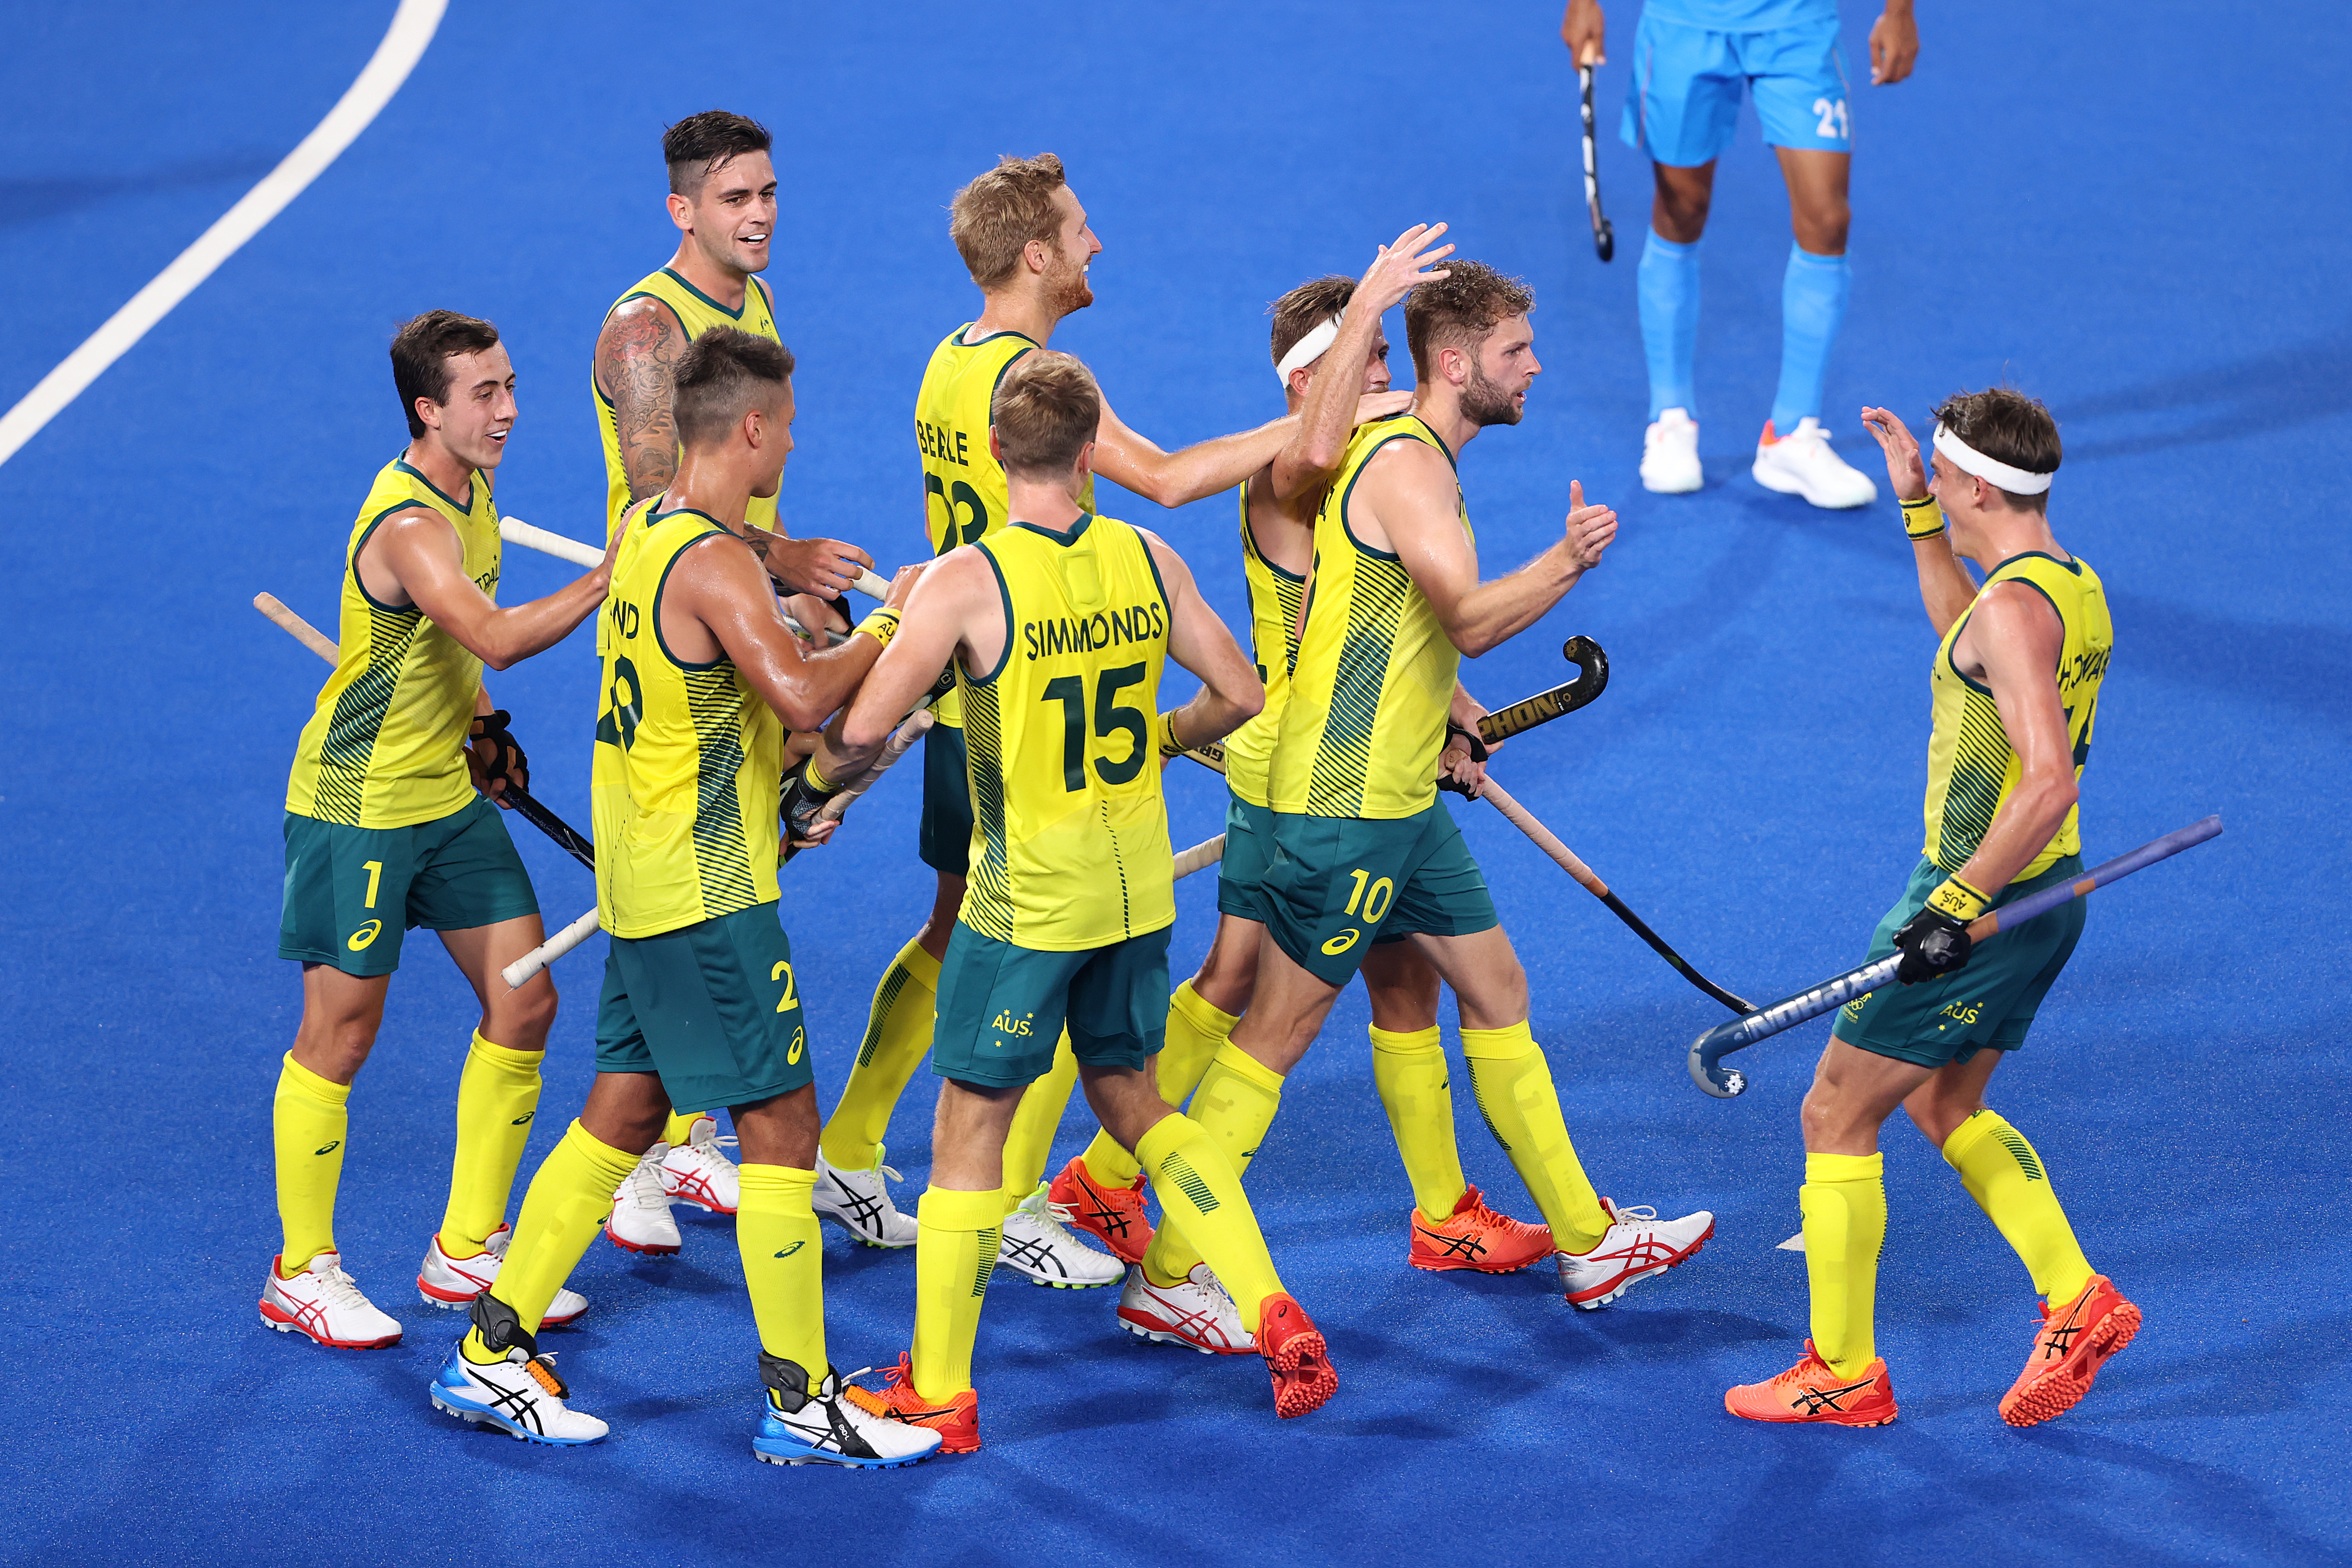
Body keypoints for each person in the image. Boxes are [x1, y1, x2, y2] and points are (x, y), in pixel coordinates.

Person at [808, 152, 1338, 1287]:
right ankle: (991, 1200)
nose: (1098, 246)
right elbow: (1173, 480)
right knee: (1034, 953)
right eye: (1083, 229)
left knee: (958, 928)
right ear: (1038, 253)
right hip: (1021, 718)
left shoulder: (948, 362)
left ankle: (850, 1148)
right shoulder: (1036, 370)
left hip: (972, 692)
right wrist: (1322, 415)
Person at [427, 328, 938, 1466]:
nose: (793, 441)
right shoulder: (713, 562)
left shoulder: (648, 529)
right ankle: (800, 1401)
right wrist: (902, 626)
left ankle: (489, 1350)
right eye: (790, 426)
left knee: (620, 1110)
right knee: (782, 1125)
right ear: (749, 430)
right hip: (706, 901)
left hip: (649, 880)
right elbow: (807, 698)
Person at [1047, 235, 1556, 1358]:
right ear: (1312, 379)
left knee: (1393, 983)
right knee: (1253, 995)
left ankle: (1440, 1209)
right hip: (1304, 767)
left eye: (1384, 363)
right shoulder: (1303, 463)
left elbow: (1384, 614)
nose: (1386, 382)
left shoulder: (1360, 456)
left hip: (1341, 753)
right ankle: (1110, 1183)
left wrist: (1447, 707)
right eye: (1369, 362)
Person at [1195, 261, 1716, 1313]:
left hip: (1402, 799)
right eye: (1517, 350)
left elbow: (1397, 624)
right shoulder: (1403, 468)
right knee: (1273, 1032)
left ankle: (1585, 1236)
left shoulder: (1413, 456)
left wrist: (1448, 704)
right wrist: (1565, 562)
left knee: (1495, 987)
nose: (1537, 365)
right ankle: (1172, 1263)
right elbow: (1470, 612)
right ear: (1457, 360)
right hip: (1342, 804)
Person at [1725, 389, 2134, 1428]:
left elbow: (2046, 780)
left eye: (1946, 482)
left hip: (1984, 897)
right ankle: (2076, 1295)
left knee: (1833, 1110)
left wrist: (1954, 902)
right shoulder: (2069, 585)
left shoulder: (2011, 604)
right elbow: (1971, 638)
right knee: (1942, 1103)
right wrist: (1913, 512)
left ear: (1987, 488)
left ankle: (1843, 1370)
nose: (1939, 492)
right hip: (2044, 897)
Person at [263, 310, 614, 1348]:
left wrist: (485, 732)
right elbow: (496, 637)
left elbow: (454, 664)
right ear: (430, 409)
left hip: (447, 797)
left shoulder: (475, 488)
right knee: (343, 1033)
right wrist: (613, 572)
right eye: (483, 395)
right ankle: (301, 1267)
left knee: (526, 996)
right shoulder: (411, 523)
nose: (507, 411)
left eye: (510, 386)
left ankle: (468, 1243)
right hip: (358, 807)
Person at [589, 108, 881, 1246]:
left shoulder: (749, 301)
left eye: (766, 193)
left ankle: (675, 1130)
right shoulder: (642, 335)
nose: (757, 215)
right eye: (732, 200)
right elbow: (676, 500)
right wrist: (782, 568)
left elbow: (748, 475)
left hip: (740, 589)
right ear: (681, 211)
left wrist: (797, 587)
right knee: (690, 861)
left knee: (755, 835)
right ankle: (637, 1153)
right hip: (676, 615)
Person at [1559, 0, 1916, 505]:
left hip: (1797, 23)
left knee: (1828, 220)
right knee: (1681, 209)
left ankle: (1791, 435)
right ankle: (1669, 418)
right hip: (1684, 22)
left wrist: (1898, 9)